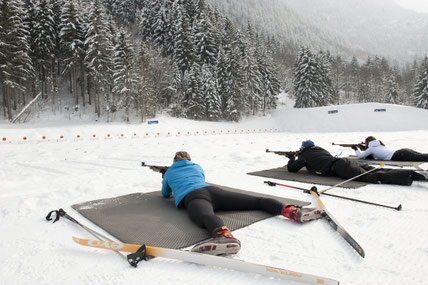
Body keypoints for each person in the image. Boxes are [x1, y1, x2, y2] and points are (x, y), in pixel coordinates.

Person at [162, 151, 324, 256]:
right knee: (257, 201)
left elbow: (165, 194)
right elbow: (200, 179)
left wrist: (167, 178)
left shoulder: (170, 171)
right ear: (189, 159)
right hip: (214, 191)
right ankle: (293, 211)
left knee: (205, 215)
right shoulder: (197, 166)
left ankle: (224, 236)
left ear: (174, 161)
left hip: (194, 197)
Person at [286, 140, 428, 186]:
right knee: (374, 170)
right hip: (345, 162)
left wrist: (291, 158)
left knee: (373, 176)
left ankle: (412, 176)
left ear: (303, 149)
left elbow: (292, 169)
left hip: (341, 166)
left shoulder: (305, 156)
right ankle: (415, 175)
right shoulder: (320, 150)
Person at [354, 136, 428, 162]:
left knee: (423, 157)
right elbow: (371, 154)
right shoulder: (378, 144)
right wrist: (364, 149)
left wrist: (355, 149)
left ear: (368, 142)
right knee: (423, 156)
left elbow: (361, 156)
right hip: (402, 152)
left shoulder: (372, 148)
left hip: (399, 155)